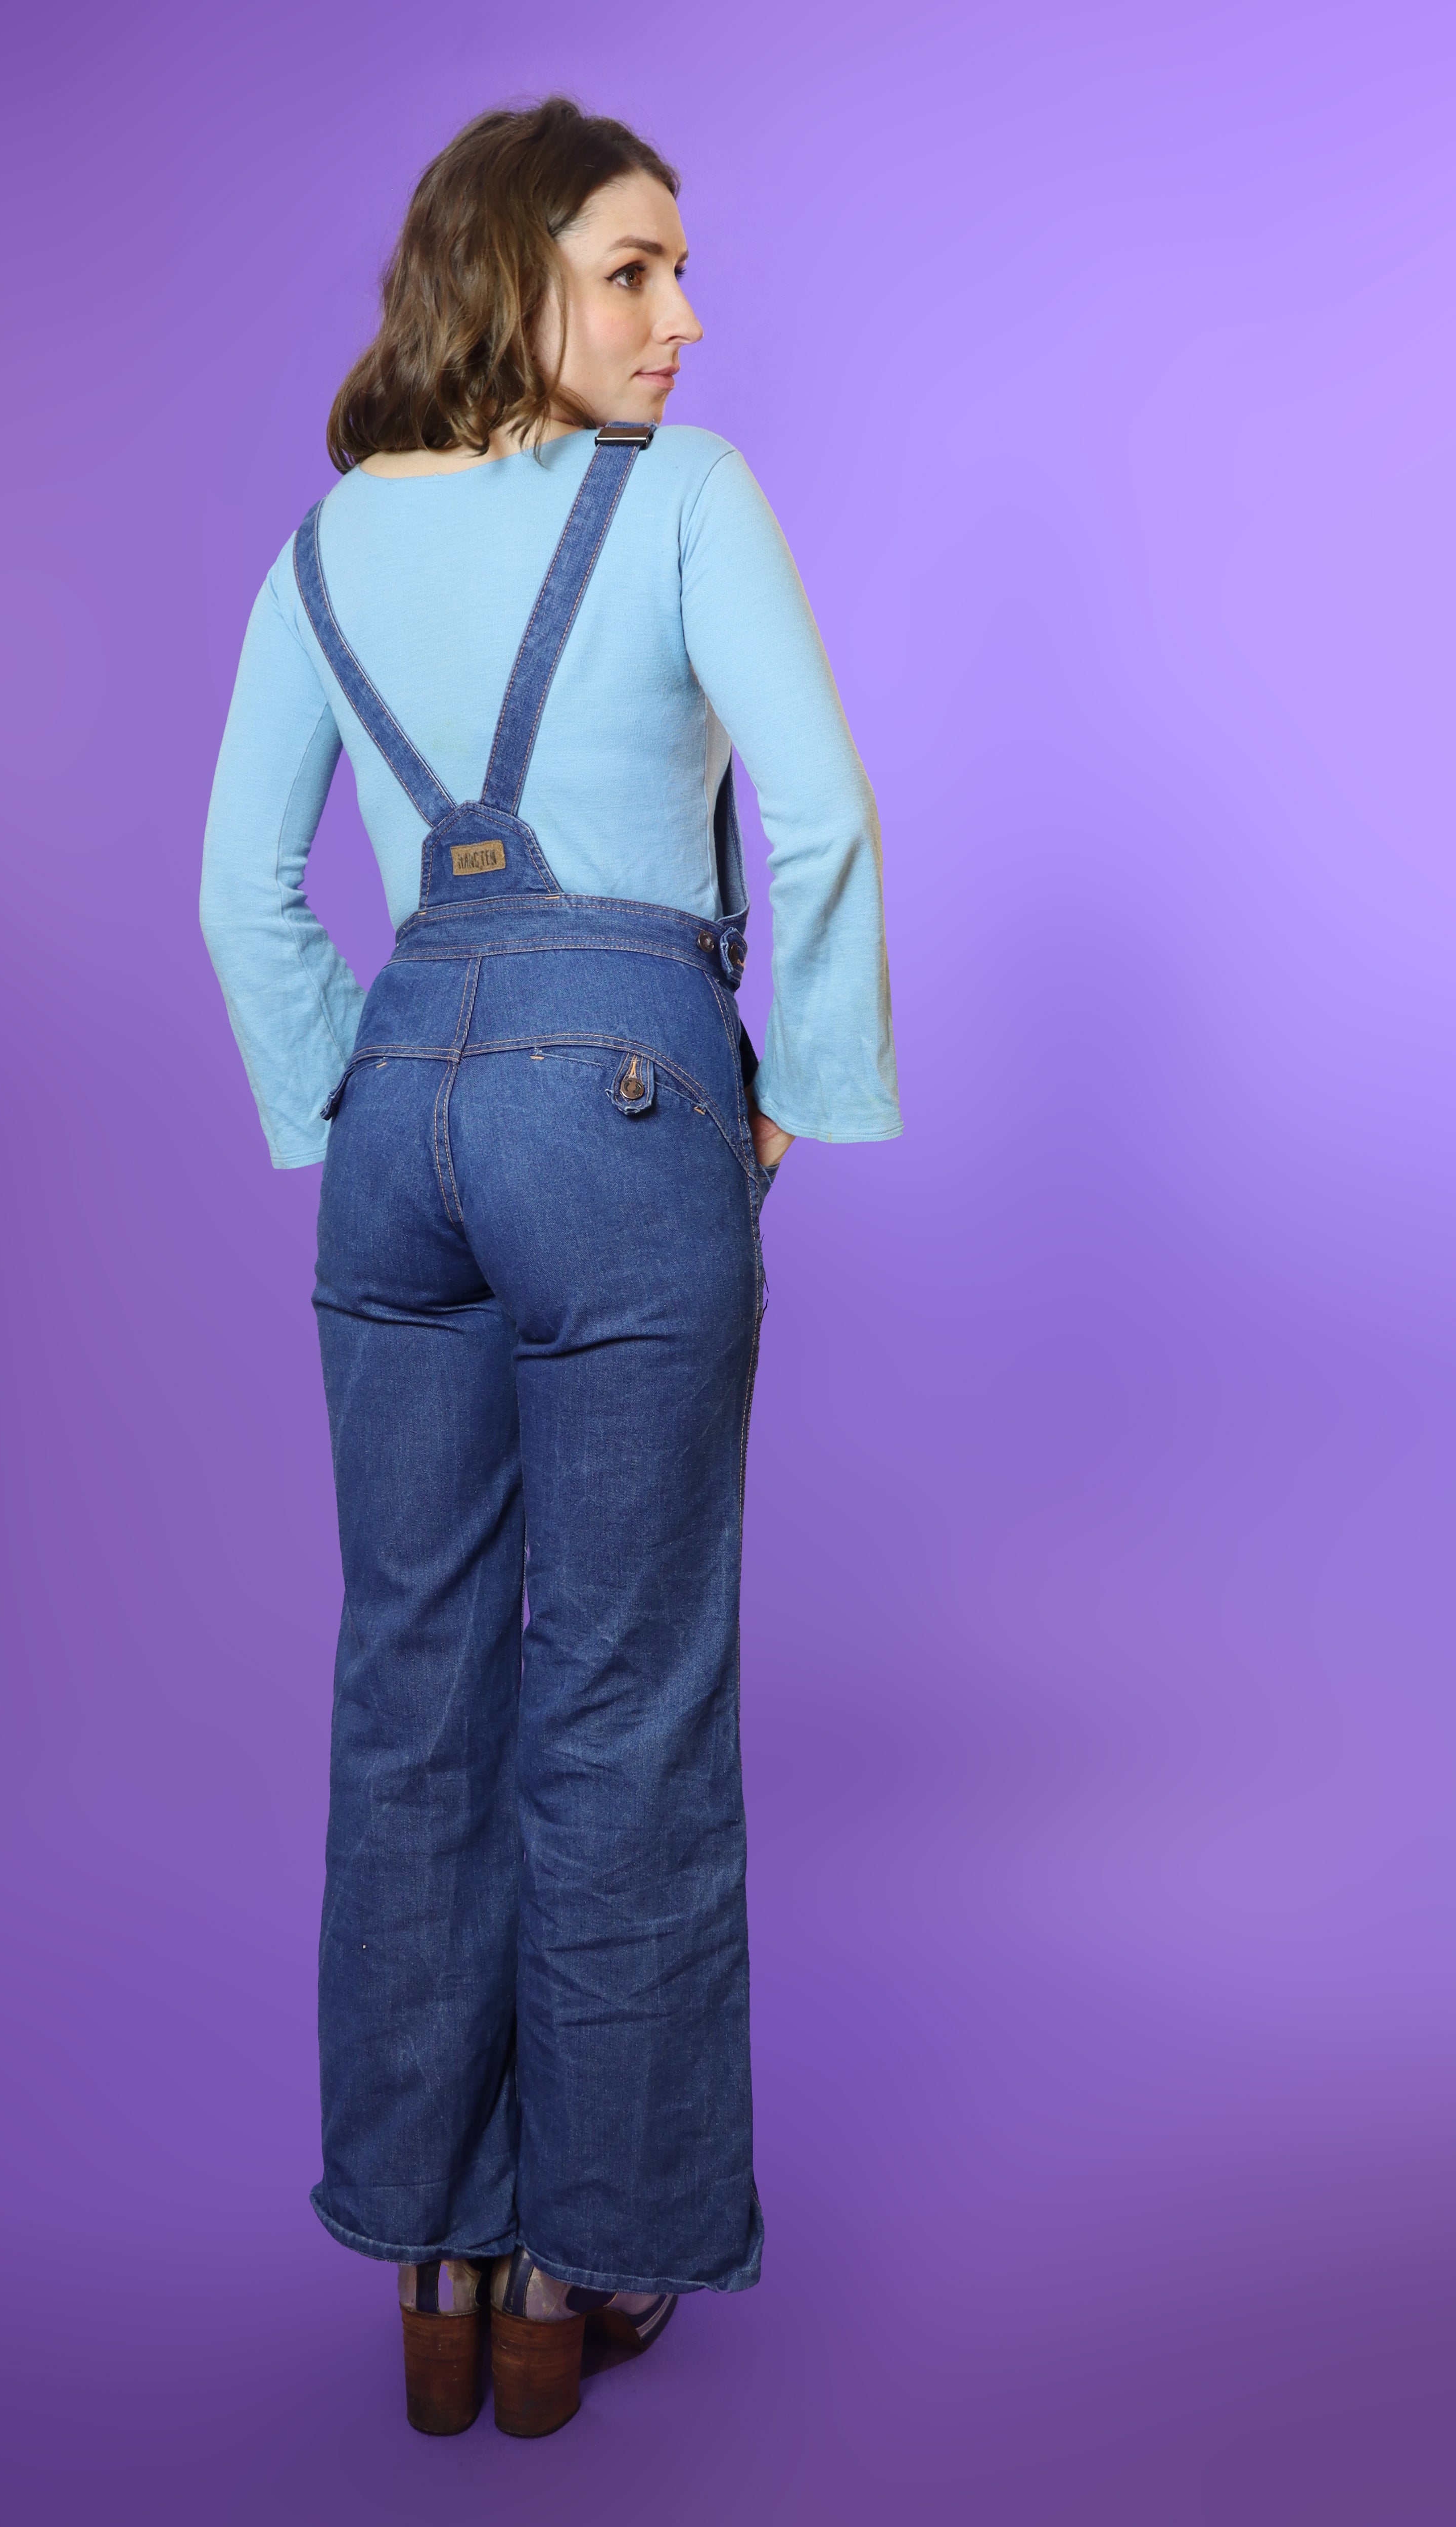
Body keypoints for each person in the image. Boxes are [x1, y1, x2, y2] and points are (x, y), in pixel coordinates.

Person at [200, 96, 899, 2438]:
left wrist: (347, 1109)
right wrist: (798, 1089)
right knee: (622, 1696)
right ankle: (579, 2265)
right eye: (632, 268)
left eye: (678, 270)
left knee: (414, 1691)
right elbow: (819, 814)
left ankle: (437, 2254)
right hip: (618, 1099)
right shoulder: (685, 499)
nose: (682, 316)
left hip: (395, 1115)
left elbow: (240, 891)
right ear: (511, 276)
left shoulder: (322, 542)